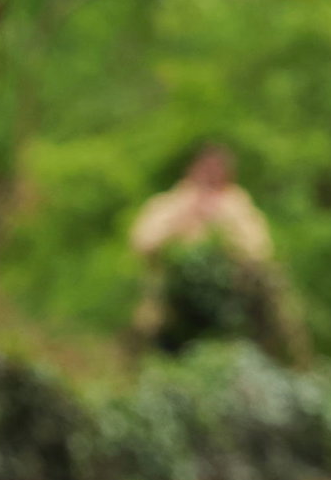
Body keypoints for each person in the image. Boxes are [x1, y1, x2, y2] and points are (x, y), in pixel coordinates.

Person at [128, 144, 308, 364]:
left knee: (275, 293)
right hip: (171, 298)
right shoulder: (168, 203)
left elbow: (261, 251)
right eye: (206, 170)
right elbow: (142, 243)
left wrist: (223, 222)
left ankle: (294, 360)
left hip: (232, 297)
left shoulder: (238, 205)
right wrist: (183, 216)